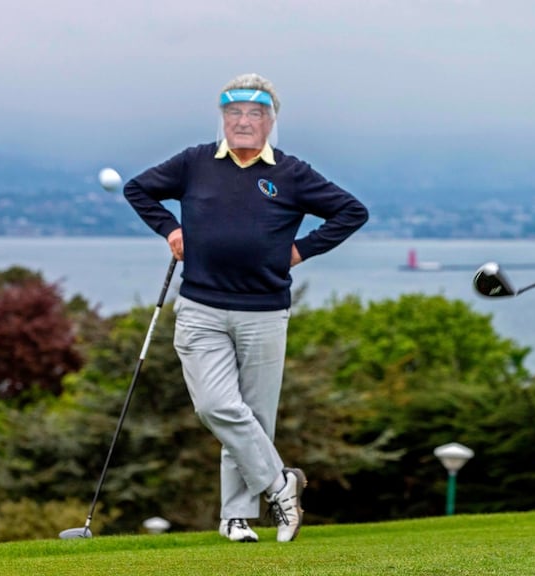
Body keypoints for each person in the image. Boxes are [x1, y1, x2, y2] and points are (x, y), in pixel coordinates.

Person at [123, 73, 369, 543]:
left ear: (270, 121)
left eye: (254, 114)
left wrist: (301, 250)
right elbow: (138, 189)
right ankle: (281, 485)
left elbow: (351, 211)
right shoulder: (194, 162)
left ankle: (236, 517)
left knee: (254, 416)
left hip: (264, 311)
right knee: (217, 406)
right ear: (222, 117)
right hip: (201, 307)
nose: (242, 121)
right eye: (233, 112)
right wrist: (170, 229)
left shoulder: (292, 173)